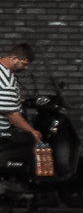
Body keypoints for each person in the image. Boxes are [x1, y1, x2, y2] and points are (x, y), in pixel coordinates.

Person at [0, 42, 38, 171]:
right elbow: (11, 114)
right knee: (32, 139)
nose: (26, 68)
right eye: (24, 64)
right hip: (2, 131)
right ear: (15, 58)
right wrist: (31, 131)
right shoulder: (6, 80)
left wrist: (17, 99)